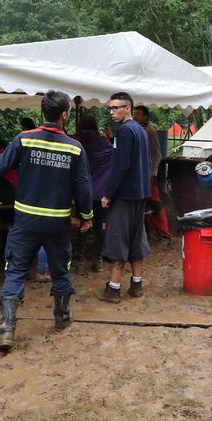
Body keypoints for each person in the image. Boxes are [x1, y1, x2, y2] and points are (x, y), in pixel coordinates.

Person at [0, 91, 93, 354]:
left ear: (42, 112)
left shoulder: (23, 140)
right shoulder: (74, 147)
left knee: (15, 271)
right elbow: (83, 188)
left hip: (25, 221)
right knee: (60, 270)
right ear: (64, 115)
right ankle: (61, 317)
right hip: (57, 224)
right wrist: (86, 216)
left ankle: (6, 329)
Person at [98, 91, 151, 302]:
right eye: (110, 108)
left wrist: (108, 194)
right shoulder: (140, 131)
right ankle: (137, 285)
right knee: (136, 239)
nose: (112, 112)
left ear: (127, 108)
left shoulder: (125, 131)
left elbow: (120, 167)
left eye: (116, 108)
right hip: (140, 194)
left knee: (118, 242)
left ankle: (113, 289)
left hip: (125, 196)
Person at [74, 113, 113, 270]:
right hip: (100, 193)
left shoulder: (76, 143)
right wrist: (110, 139)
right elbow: (116, 155)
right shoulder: (103, 143)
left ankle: (79, 259)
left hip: (82, 193)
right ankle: (98, 259)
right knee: (99, 226)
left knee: (83, 223)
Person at [133, 105, 172, 241]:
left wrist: (152, 174)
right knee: (142, 204)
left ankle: (164, 234)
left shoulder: (150, 131)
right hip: (137, 175)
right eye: (134, 113)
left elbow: (157, 154)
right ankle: (145, 233)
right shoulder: (135, 130)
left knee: (154, 203)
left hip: (148, 175)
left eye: (138, 114)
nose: (135, 116)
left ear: (145, 117)